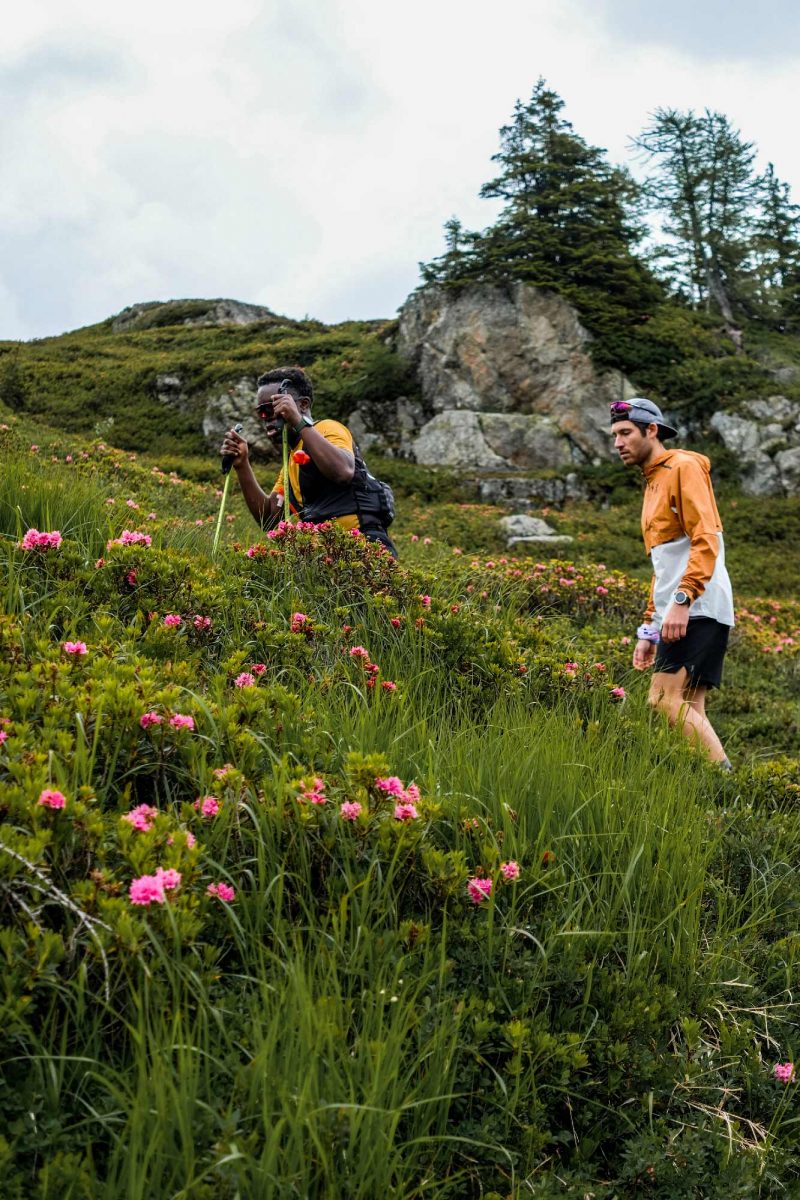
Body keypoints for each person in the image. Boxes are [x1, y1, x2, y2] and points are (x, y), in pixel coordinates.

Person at [610, 397, 734, 769]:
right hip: (686, 608)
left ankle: (727, 783)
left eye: (626, 433)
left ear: (652, 430)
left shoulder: (683, 467)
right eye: (615, 435)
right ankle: (717, 793)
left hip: (698, 606)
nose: (618, 443)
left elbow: (706, 537)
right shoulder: (653, 483)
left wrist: (682, 600)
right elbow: (664, 566)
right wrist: (649, 627)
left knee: (661, 699)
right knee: (689, 706)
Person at [220, 365, 396, 555]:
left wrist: (298, 421)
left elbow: (343, 471)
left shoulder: (328, 428)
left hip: (365, 548)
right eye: (262, 412)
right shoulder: (291, 461)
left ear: (303, 405)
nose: (268, 418)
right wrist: (242, 464)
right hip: (326, 557)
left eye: (273, 407)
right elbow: (270, 519)